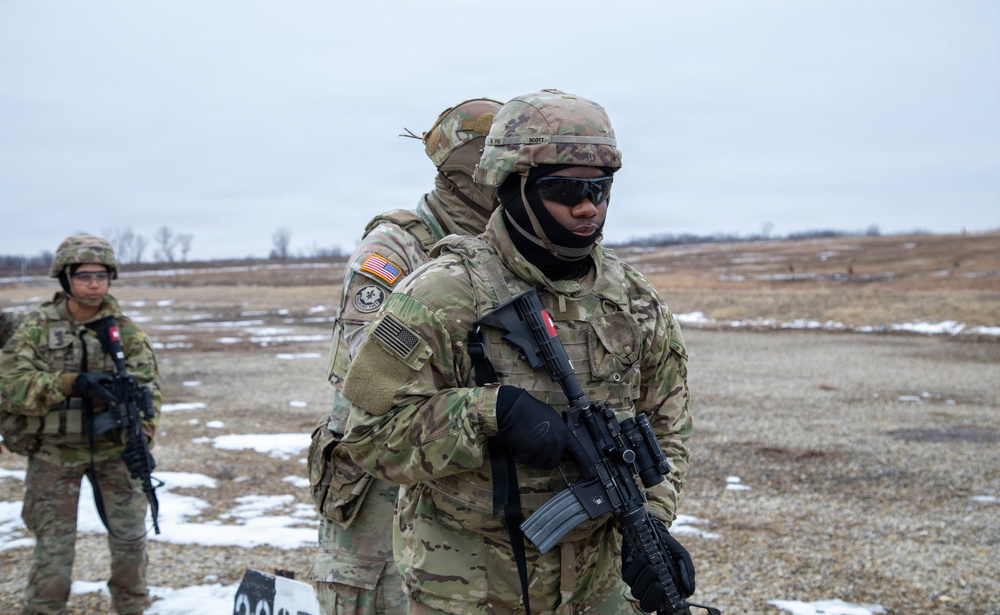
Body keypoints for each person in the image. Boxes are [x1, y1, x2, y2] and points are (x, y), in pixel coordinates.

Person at [339, 89, 694, 614]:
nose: (587, 207)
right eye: (564, 190)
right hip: (470, 591)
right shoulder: (438, 295)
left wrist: (654, 524)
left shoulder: (633, 301)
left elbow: (668, 428)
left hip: (598, 591)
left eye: (600, 189)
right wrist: (486, 413)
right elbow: (366, 436)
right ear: (511, 185)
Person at [306, 97, 504, 615]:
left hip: (457, 468)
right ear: (474, 170)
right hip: (380, 474)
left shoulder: (502, 252)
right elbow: (371, 374)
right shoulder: (396, 251)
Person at [0, 234, 162, 615]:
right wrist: (68, 383)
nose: (94, 284)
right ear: (66, 278)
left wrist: (142, 439)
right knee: (53, 552)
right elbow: (9, 385)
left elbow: (149, 393)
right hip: (54, 454)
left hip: (114, 451)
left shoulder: (125, 331)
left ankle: (133, 609)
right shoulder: (36, 327)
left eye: (102, 276)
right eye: (85, 276)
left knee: (130, 544)